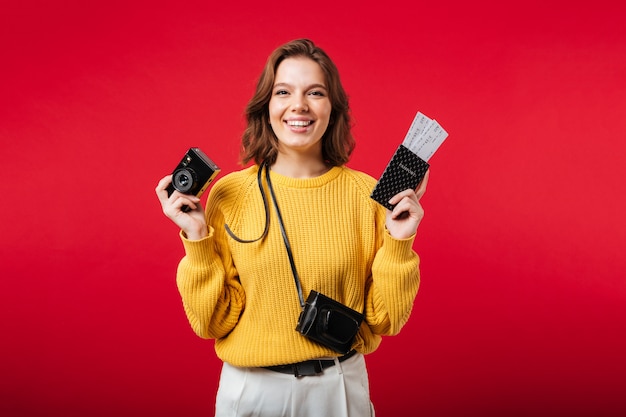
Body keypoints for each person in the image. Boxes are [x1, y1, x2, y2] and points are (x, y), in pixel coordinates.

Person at [155, 38, 429, 417]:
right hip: (252, 392)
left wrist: (399, 243)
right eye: (283, 91)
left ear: (332, 109)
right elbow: (211, 322)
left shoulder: (368, 195)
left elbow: (385, 320)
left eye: (314, 92)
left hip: (339, 389)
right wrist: (198, 239)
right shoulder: (229, 194)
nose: (298, 105)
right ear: (266, 106)